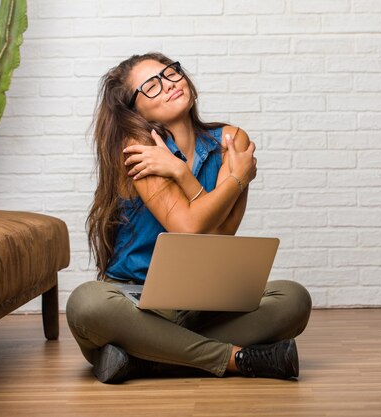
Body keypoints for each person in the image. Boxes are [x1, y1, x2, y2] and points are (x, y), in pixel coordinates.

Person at [66, 52, 312, 384]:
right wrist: (233, 179)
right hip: (134, 302)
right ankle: (237, 358)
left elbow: (220, 238)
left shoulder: (230, 141)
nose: (168, 85)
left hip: (203, 302)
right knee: (87, 305)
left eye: (171, 73)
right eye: (151, 86)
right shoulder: (137, 147)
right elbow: (189, 227)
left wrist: (181, 175)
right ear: (134, 109)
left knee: (293, 299)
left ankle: (146, 359)